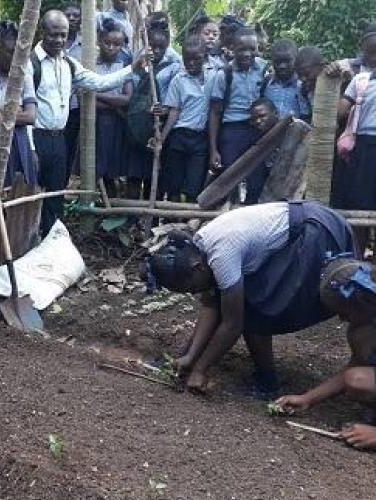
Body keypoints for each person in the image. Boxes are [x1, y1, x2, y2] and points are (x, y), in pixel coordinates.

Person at [146, 201, 356, 396]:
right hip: (304, 224)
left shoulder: (222, 255)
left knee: (254, 309)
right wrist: (190, 357)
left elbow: (232, 325)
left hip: (315, 232)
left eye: (192, 288)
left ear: (197, 268)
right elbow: (211, 304)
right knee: (234, 300)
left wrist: (200, 370)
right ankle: (264, 377)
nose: (194, 293)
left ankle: (268, 381)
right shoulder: (198, 248)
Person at [32, 9, 143, 236]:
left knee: (56, 194)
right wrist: (31, 148)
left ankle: (51, 240)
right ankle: (27, 241)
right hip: (36, 138)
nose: (59, 40)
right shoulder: (30, 64)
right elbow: (23, 107)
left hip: (59, 138)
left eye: (63, 35)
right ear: (43, 32)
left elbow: (99, 82)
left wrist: (132, 69)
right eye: (54, 34)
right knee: (30, 193)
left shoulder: (69, 64)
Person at [275, 257, 376, 450]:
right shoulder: (364, 328)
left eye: (346, 312)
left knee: (358, 380)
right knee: (355, 377)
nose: (342, 319)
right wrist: (307, 398)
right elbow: (355, 366)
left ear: (365, 302)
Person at [208, 27, 268, 205]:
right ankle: (228, 212)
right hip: (232, 131)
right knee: (229, 178)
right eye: (242, 49)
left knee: (256, 178)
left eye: (252, 49)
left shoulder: (262, 70)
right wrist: (214, 149)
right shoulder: (224, 74)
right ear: (232, 49)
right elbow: (215, 112)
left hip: (256, 129)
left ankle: (251, 212)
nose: (247, 54)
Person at [125, 25, 180, 200]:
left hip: (157, 128)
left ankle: (152, 211)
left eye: (161, 47)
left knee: (153, 173)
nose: (156, 51)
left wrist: (162, 110)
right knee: (133, 174)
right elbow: (132, 94)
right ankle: (131, 212)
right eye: (153, 46)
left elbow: (174, 100)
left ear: (167, 46)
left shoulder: (173, 67)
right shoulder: (138, 63)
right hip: (136, 127)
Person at [333, 47, 376, 256]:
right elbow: (340, 112)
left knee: (363, 202)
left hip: (366, 148)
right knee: (360, 205)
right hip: (364, 147)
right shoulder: (360, 80)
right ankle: (358, 259)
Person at [0, 21, 38, 186]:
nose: (17, 59)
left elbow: (30, 116)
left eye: (20, 54)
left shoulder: (25, 72)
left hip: (21, 141)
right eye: (10, 52)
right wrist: (15, 112)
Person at [160, 36, 210, 202]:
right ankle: (170, 215)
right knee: (174, 183)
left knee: (194, 185)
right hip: (179, 136)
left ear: (205, 57)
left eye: (197, 59)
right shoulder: (178, 80)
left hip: (201, 138)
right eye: (187, 60)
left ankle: (189, 216)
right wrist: (162, 138)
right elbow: (174, 111)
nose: (191, 63)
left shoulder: (214, 77)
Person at [94, 18, 132, 197]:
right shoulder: (92, 64)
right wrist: (113, 101)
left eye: (116, 44)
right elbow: (86, 101)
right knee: (97, 163)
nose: (111, 48)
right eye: (107, 43)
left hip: (118, 121)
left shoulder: (124, 65)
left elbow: (127, 99)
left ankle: (111, 199)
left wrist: (97, 95)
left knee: (113, 166)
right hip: (95, 122)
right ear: (99, 41)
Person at [262, 39, 309, 120]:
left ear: (296, 60)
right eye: (277, 62)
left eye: (287, 61)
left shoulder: (303, 85)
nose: (282, 66)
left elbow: (306, 115)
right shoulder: (266, 83)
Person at [63, 3, 82, 174]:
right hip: (53, 106)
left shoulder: (87, 45)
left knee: (70, 146)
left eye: (76, 15)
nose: (72, 19)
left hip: (75, 105)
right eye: (68, 15)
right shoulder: (52, 43)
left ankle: (65, 180)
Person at [294, 45, 325, 121]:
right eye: (299, 75)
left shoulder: (336, 81)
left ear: (322, 67)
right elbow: (306, 116)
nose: (303, 79)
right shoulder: (303, 89)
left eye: (307, 73)